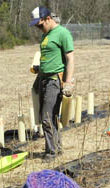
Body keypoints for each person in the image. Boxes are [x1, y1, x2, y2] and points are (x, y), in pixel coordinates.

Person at [30, 6, 75, 161]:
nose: (38, 28)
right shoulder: (46, 35)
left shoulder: (62, 33)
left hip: (55, 80)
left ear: (48, 18)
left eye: (40, 24)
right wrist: (39, 68)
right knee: (50, 117)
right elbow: (48, 56)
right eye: (36, 26)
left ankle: (51, 152)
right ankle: (57, 148)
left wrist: (68, 82)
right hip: (43, 78)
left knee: (47, 118)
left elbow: (70, 59)